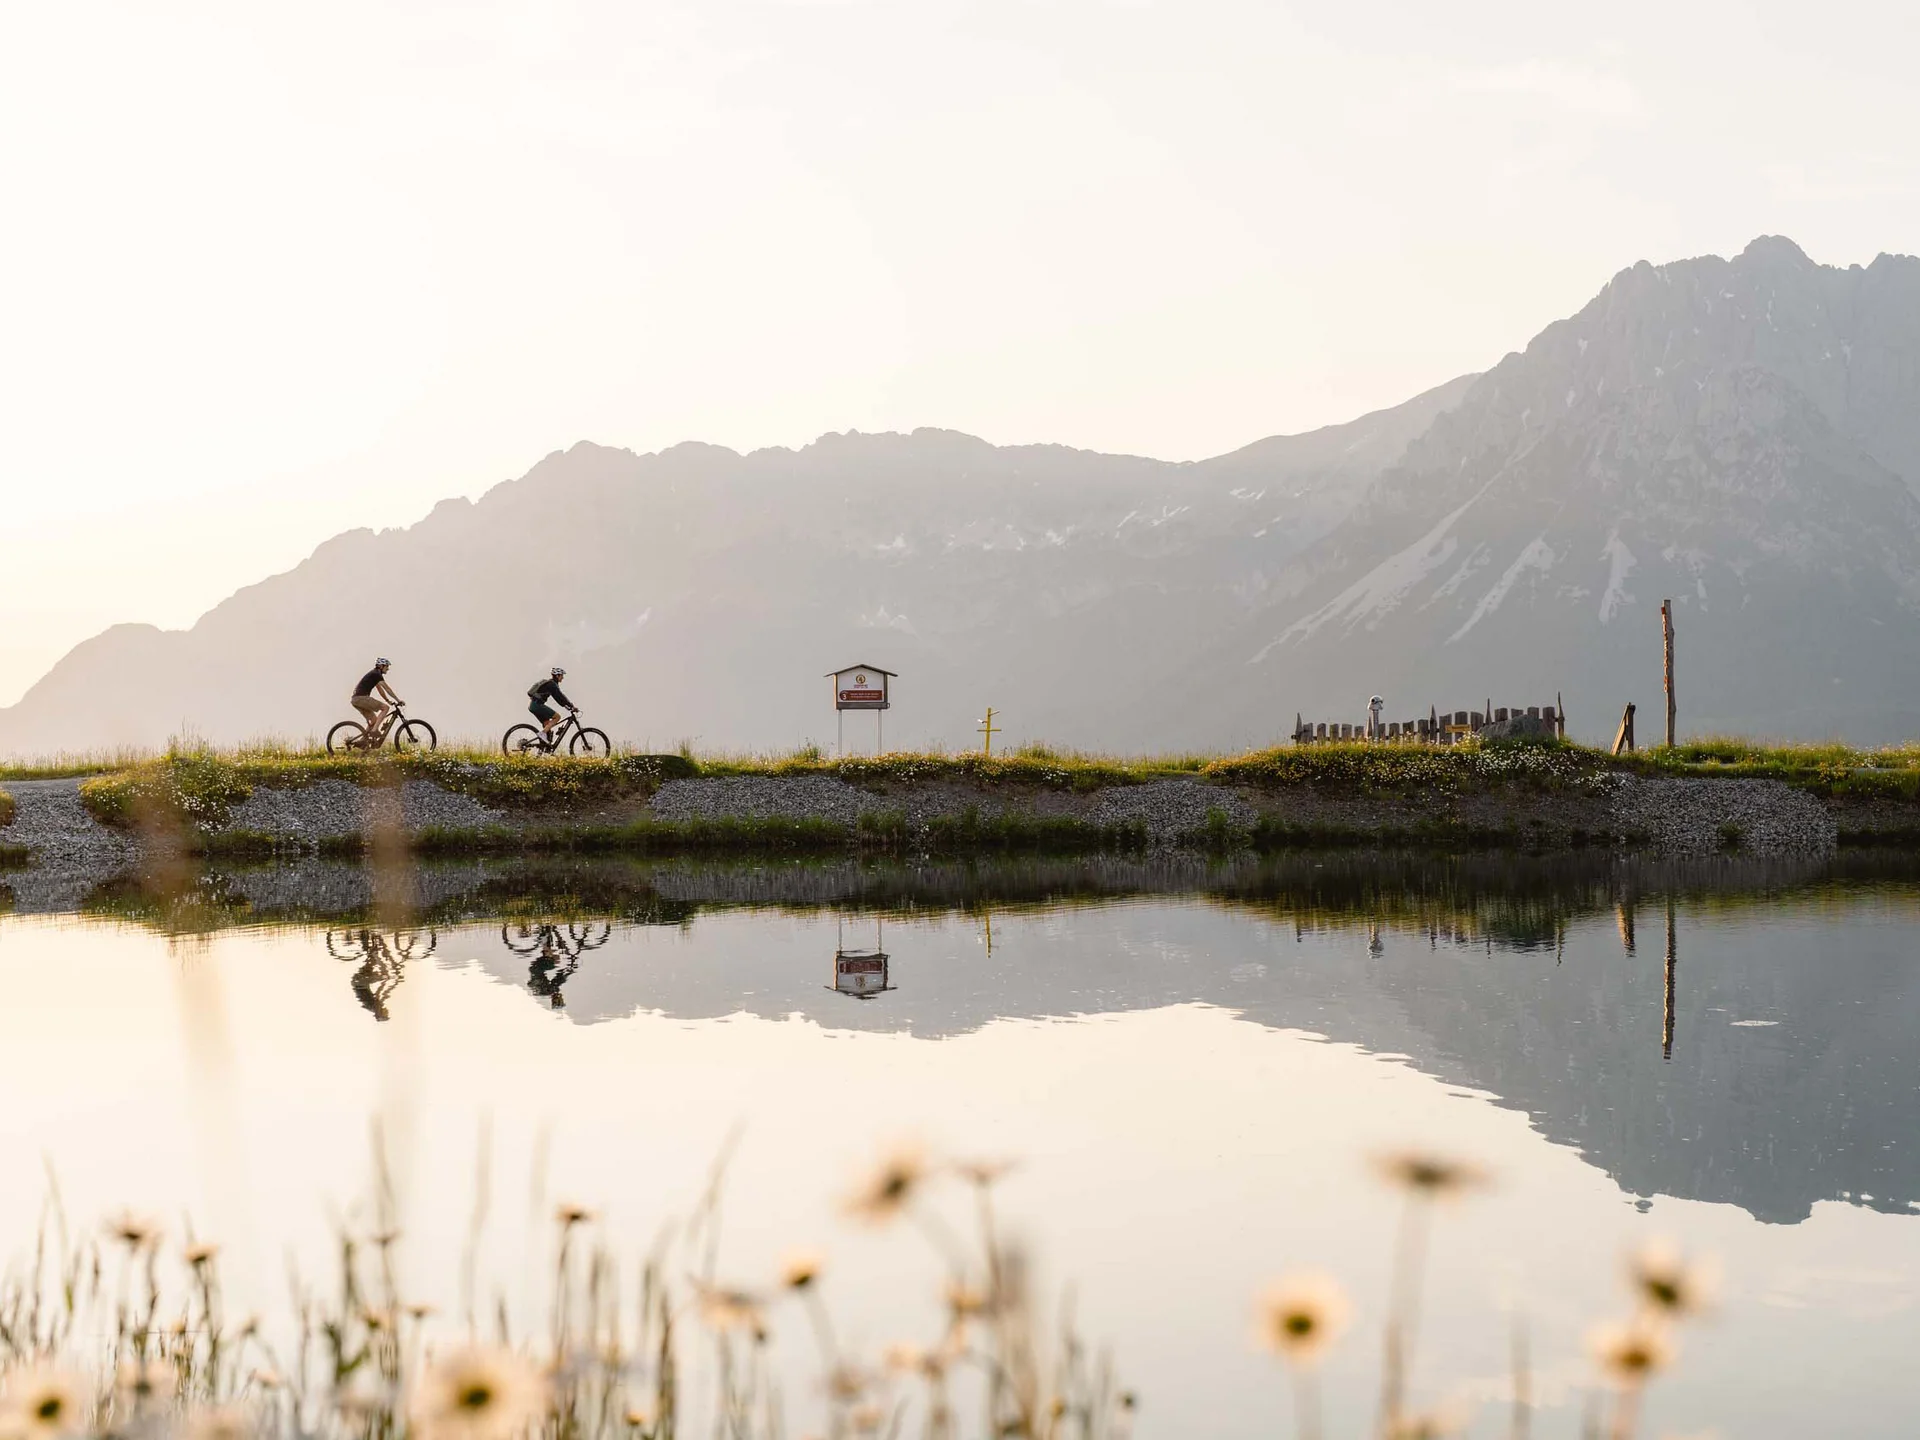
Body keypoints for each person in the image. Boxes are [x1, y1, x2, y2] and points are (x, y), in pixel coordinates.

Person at [352, 658, 402, 739]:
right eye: (387, 666)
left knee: (374, 721)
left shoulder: (374, 674)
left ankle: (363, 742)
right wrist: (398, 700)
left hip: (356, 700)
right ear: (381, 666)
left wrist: (387, 700)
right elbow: (387, 688)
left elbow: (380, 690)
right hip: (361, 698)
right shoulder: (376, 674)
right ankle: (374, 731)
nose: (388, 669)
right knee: (385, 708)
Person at [527, 666, 575, 740]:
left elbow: (559, 698)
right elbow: (560, 697)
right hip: (537, 705)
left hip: (533, 705)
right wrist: (571, 706)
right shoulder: (552, 684)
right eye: (562, 675)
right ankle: (542, 733)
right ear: (557, 675)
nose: (563, 678)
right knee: (557, 717)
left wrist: (567, 706)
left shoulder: (550, 683)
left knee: (547, 723)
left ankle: (545, 745)